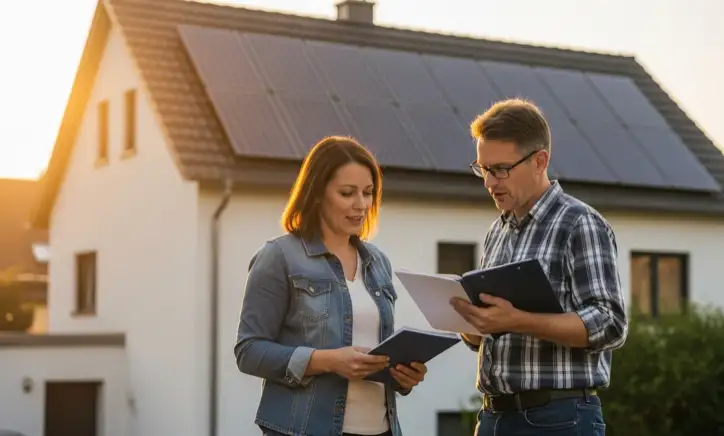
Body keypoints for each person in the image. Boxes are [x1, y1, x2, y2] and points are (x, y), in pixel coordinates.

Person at [450, 98, 628, 435]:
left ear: (539, 161)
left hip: (558, 419)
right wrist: (473, 326)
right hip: (492, 417)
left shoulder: (580, 224)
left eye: (500, 169)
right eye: (483, 169)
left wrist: (518, 320)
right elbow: (489, 334)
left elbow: (610, 323)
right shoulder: (497, 231)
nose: (490, 182)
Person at [234, 136, 427, 436]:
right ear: (316, 194)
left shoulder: (378, 262)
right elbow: (249, 351)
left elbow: (377, 352)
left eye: (368, 193)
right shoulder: (279, 257)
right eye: (347, 193)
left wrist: (403, 377)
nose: (361, 205)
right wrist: (327, 361)